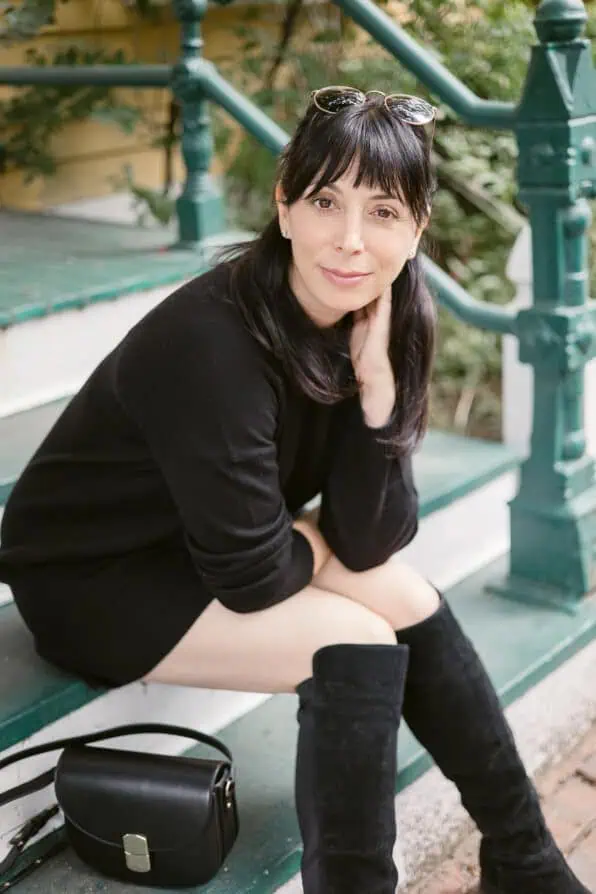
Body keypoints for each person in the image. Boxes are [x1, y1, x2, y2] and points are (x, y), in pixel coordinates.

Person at [0, 86, 590, 894]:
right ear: (284, 208)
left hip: (218, 542)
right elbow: (253, 579)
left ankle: (524, 860)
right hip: (95, 577)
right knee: (356, 643)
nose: (350, 241)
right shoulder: (213, 343)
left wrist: (377, 397)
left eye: (383, 212)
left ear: (417, 228)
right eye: (325, 201)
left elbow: (372, 537)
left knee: (399, 589)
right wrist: (310, 541)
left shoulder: (389, 313)